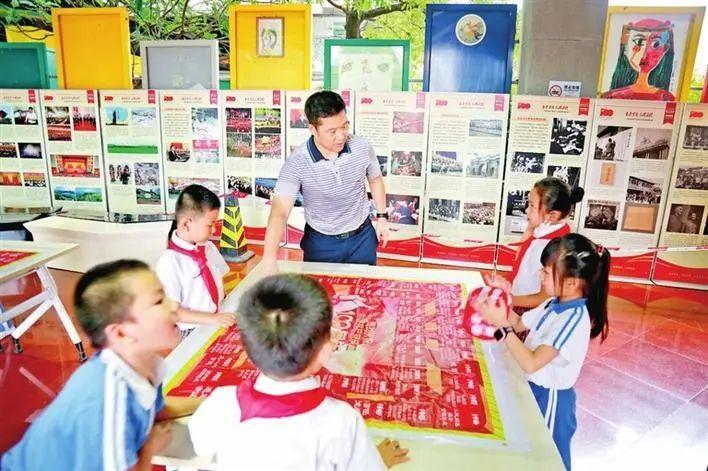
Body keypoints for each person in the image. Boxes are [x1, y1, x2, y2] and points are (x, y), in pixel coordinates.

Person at [188, 274, 410, 469]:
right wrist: (379, 459)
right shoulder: (342, 421)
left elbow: (200, 444)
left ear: (247, 349)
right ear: (325, 351)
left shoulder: (220, 403)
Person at [1, 260, 202, 471]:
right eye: (159, 301)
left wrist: (212, 400)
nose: (174, 305)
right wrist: (149, 448)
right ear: (121, 333)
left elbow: (155, 410)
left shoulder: (145, 364)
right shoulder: (106, 398)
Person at [478, 234, 610, 470]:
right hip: (534, 388)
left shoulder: (572, 319)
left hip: (551, 399)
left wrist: (502, 326)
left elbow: (531, 362)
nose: (540, 276)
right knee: (530, 453)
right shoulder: (553, 304)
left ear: (571, 283)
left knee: (549, 459)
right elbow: (519, 323)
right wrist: (501, 298)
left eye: (547, 273)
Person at [261, 91, 389, 272]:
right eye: (332, 131)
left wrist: (382, 217)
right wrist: (269, 258)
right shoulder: (297, 162)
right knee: (319, 288)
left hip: (362, 238)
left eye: (344, 126)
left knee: (364, 287)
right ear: (313, 129)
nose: (341, 136)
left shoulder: (361, 147)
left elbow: (375, 179)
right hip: (321, 242)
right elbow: (279, 212)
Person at [489, 177, 584, 309]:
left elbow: (545, 298)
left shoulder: (554, 249)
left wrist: (508, 300)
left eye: (532, 206)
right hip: (517, 299)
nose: (526, 210)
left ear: (552, 215)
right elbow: (522, 267)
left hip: (528, 310)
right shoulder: (539, 234)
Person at [156, 184, 236, 338]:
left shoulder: (209, 247)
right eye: (210, 224)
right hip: (193, 330)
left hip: (218, 319)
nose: (214, 230)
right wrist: (212, 318)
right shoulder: (170, 262)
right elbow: (173, 312)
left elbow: (221, 283)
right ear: (187, 224)